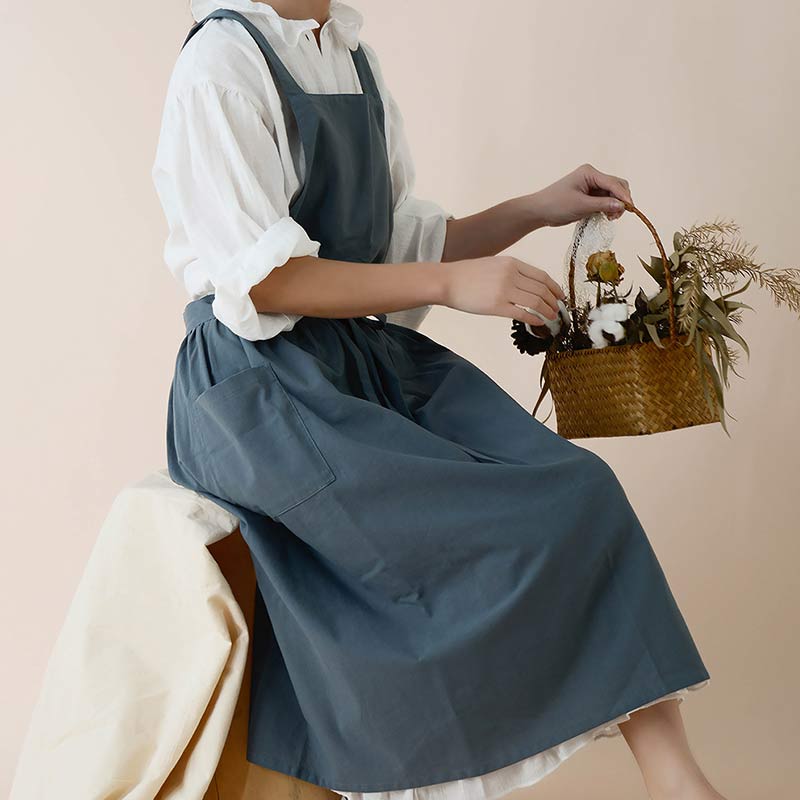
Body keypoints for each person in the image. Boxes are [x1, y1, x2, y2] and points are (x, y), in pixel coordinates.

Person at [151, 2, 725, 799]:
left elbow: (391, 243)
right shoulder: (221, 65)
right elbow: (267, 279)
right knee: (445, 535)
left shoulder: (348, 56)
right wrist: (451, 286)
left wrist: (537, 208)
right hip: (259, 388)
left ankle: (676, 780)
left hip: (355, 360)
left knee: (580, 491)